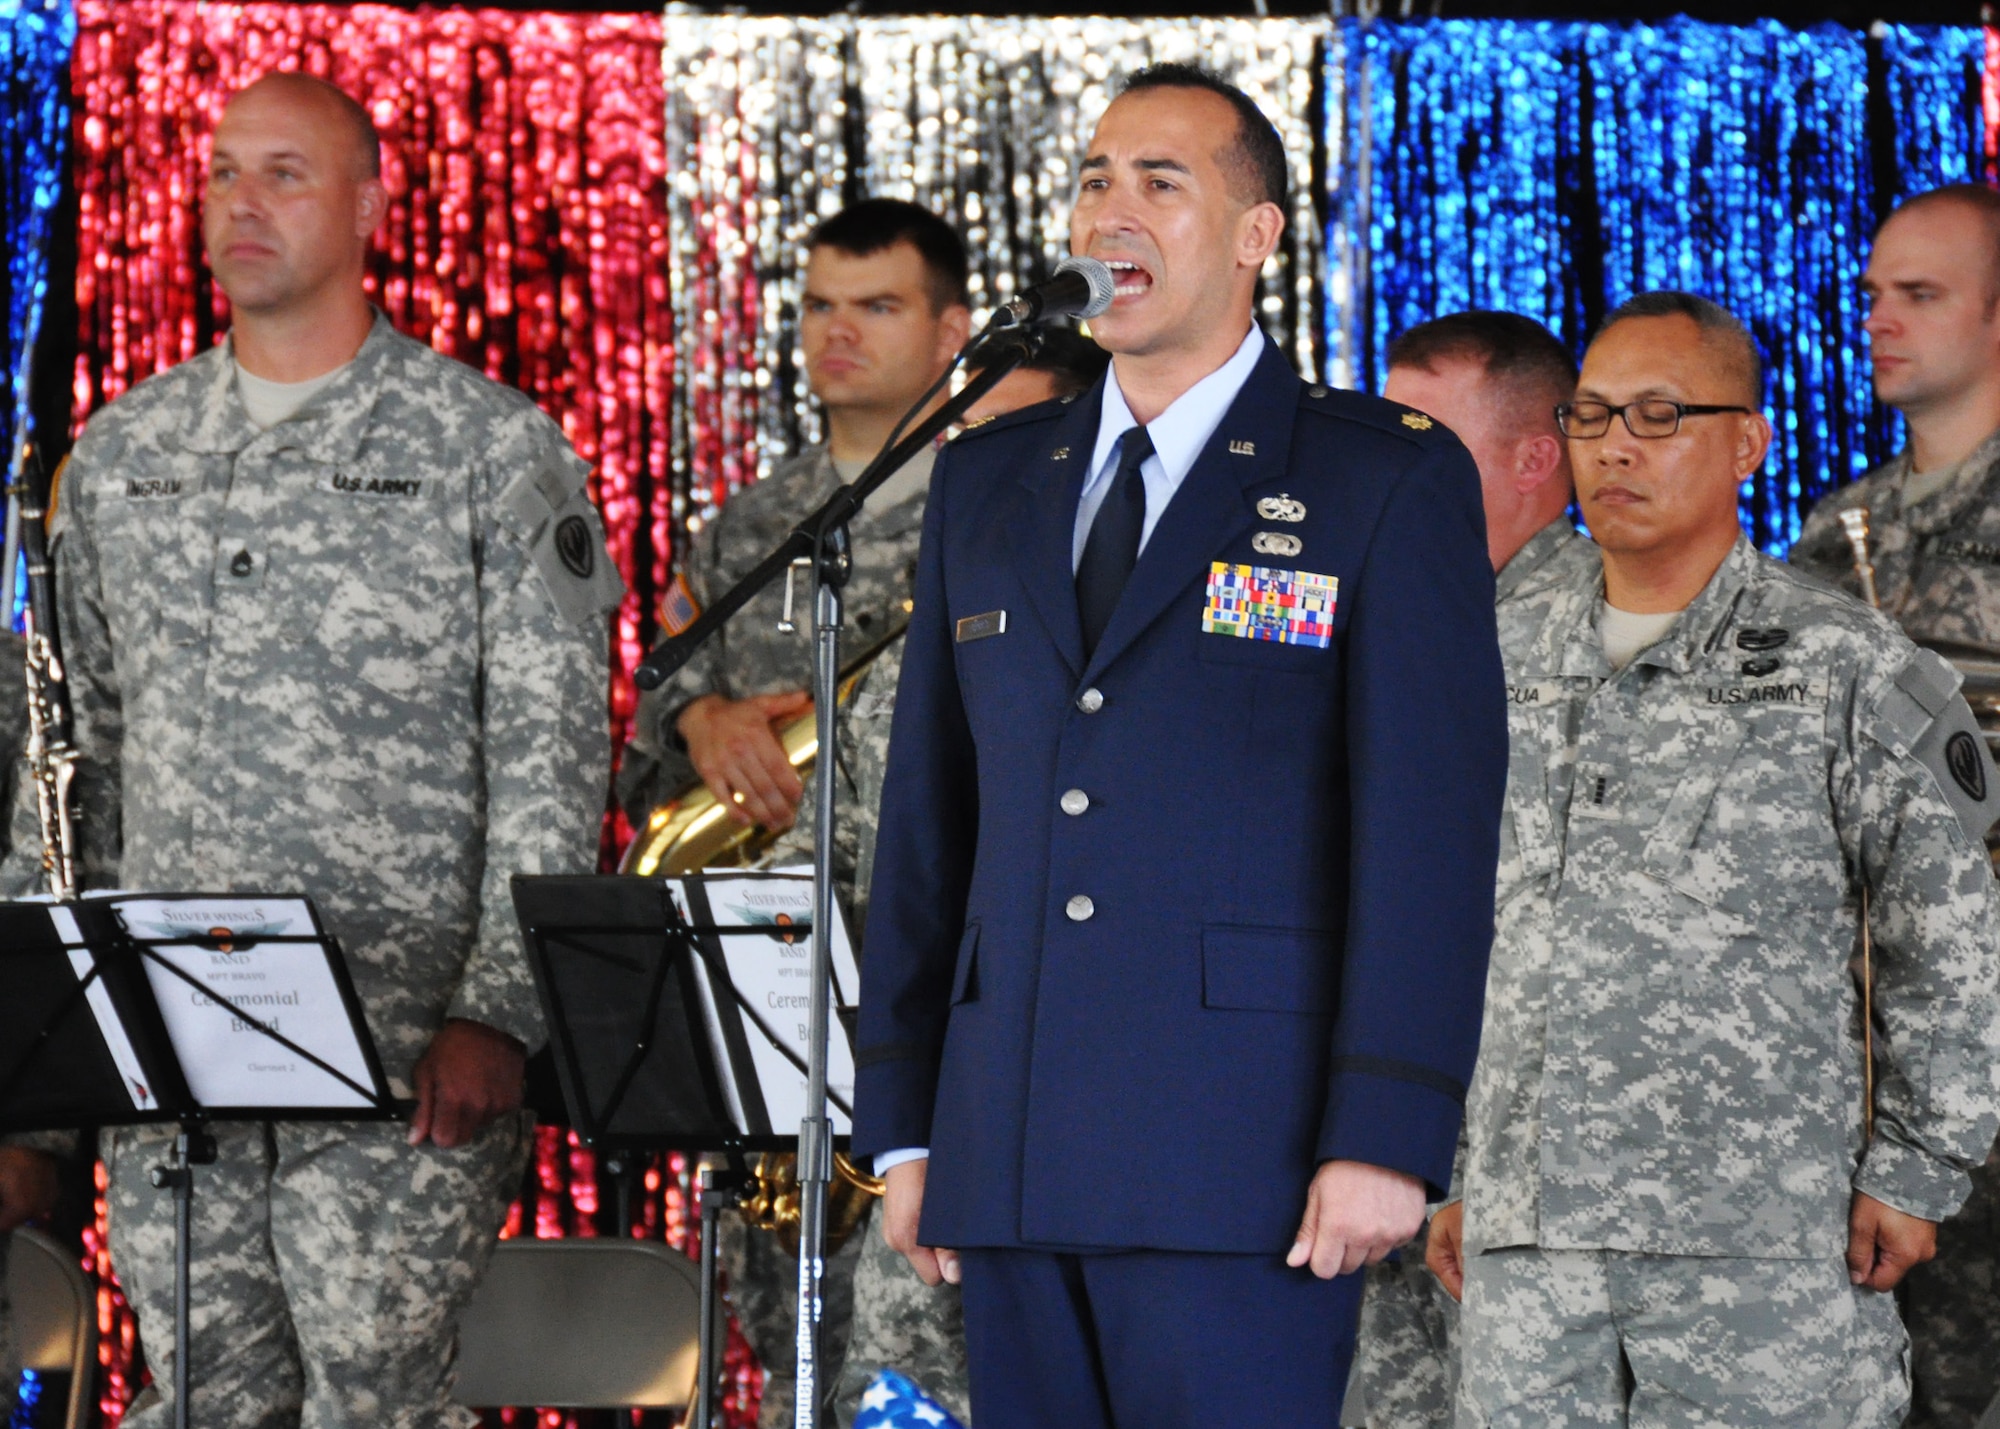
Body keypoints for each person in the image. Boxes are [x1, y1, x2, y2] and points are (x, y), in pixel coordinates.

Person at [853, 63, 1507, 1427]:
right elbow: (933, 821)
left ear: (1258, 235)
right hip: (1015, 1145)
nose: (1112, 213)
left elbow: (1429, 836)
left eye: (1161, 182)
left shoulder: (1376, 476)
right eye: (1095, 180)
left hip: (1246, 1158)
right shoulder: (987, 474)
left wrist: (1388, 1130)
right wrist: (908, 1120)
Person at [0, 73, 619, 1429]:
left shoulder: (485, 447)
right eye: (224, 174)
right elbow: (67, 764)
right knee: (201, 1401)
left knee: (375, 1405)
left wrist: (499, 1008)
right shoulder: (123, 453)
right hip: (170, 1064)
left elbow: (554, 748)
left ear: (371, 205)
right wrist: (36, 1074)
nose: (241, 202)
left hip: (403, 1064)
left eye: (284, 173)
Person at [1429, 291, 2000, 1427]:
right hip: (1528, 1239)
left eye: (1656, 414)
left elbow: (1945, 930)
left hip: (1760, 1245)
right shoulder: (1484, 656)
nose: (1615, 448)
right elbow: (1436, 926)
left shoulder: (1841, 660)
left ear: (1747, 440)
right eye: (1589, 417)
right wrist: (1447, 1164)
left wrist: (1915, 1165)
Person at [620, 198, 971, 1429]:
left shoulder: (999, 506)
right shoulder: (749, 530)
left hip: (933, 1002)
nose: (837, 332)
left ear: (950, 331)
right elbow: (636, 755)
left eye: (876, 307)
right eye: (819, 304)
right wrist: (694, 727)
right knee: (785, 1371)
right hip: (770, 1010)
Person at [762, 327, 1106, 1426]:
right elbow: (836, 867)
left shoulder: (1153, 642)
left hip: (1109, 1160)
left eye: (1009, 433)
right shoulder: (916, 658)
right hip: (933, 1158)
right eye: (962, 433)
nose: (976, 458)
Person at [1348, 310, 1588, 1429]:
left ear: (1534, 457)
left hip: (1525, 1186)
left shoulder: (1599, 637)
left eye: (1424, 438)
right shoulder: (1376, 608)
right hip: (1361, 1153)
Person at [1790, 186, 2000, 1428]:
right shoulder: (1832, 534)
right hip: (1859, 1053)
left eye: (1915, 296)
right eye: (1870, 293)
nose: (1876, 319)